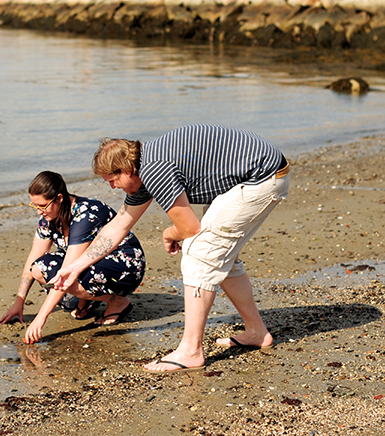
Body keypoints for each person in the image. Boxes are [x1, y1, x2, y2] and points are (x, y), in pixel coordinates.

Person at [53, 125, 289, 373]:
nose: (113, 188)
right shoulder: (144, 166)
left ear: (124, 170)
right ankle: (256, 332)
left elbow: (189, 227)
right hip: (258, 173)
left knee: (200, 253)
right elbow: (117, 226)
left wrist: (169, 233)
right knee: (218, 254)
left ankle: (190, 351)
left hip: (262, 177)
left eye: (113, 181)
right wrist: (75, 266)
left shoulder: (154, 169)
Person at [0, 171, 146, 344]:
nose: (39, 212)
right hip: (89, 264)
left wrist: (40, 318)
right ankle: (86, 301)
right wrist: (19, 301)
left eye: (43, 206)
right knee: (38, 269)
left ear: (59, 198)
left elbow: (68, 272)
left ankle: (118, 302)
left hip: (125, 264)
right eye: (34, 205)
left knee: (70, 278)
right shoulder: (49, 218)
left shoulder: (86, 214)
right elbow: (34, 257)